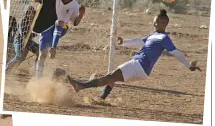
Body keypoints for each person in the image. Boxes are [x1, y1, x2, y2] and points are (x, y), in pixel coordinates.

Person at [67, 9, 201, 101]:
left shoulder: (163, 38)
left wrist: (189, 65)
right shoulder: (154, 35)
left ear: (164, 24)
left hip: (139, 65)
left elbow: (175, 52)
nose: (153, 23)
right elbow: (139, 41)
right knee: (112, 77)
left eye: (156, 22)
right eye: (154, 21)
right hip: (141, 69)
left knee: (110, 76)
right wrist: (123, 42)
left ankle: (81, 86)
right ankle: (101, 98)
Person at [33, 0, 85, 79]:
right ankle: (38, 80)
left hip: (62, 27)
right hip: (48, 27)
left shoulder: (74, 5)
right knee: (42, 55)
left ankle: (54, 48)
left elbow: (75, 22)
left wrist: (80, 16)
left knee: (59, 22)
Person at [6, 6, 39, 72]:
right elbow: (23, 34)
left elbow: (34, 34)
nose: (31, 14)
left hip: (27, 41)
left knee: (40, 52)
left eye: (32, 12)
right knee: (19, 56)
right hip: (18, 40)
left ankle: (37, 71)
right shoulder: (22, 21)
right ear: (26, 13)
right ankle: (6, 69)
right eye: (29, 12)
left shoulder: (34, 22)